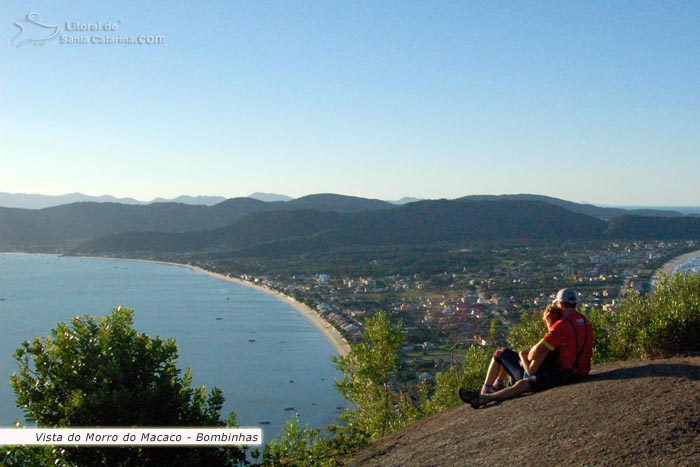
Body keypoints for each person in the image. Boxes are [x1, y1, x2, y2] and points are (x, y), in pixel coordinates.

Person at [459, 288, 594, 409]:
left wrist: (524, 354)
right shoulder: (585, 321)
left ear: (561, 304)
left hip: (564, 375)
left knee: (522, 383)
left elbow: (536, 352)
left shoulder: (561, 326)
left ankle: (485, 397)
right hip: (581, 371)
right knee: (507, 357)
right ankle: (495, 386)